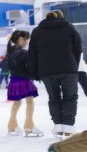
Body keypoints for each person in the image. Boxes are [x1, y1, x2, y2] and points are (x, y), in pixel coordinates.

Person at [28, 10, 82, 139]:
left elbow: (32, 54)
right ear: (61, 17)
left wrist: (35, 73)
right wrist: (74, 63)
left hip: (47, 71)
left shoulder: (37, 31)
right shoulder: (69, 27)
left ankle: (58, 127)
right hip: (68, 68)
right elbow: (78, 48)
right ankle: (68, 127)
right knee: (70, 97)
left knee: (54, 98)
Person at [4, 30, 42, 137]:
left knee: (17, 103)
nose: (27, 43)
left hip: (14, 80)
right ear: (21, 40)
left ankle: (11, 125)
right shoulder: (22, 53)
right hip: (23, 80)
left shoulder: (10, 52)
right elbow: (29, 67)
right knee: (29, 101)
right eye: (26, 40)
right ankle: (29, 126)